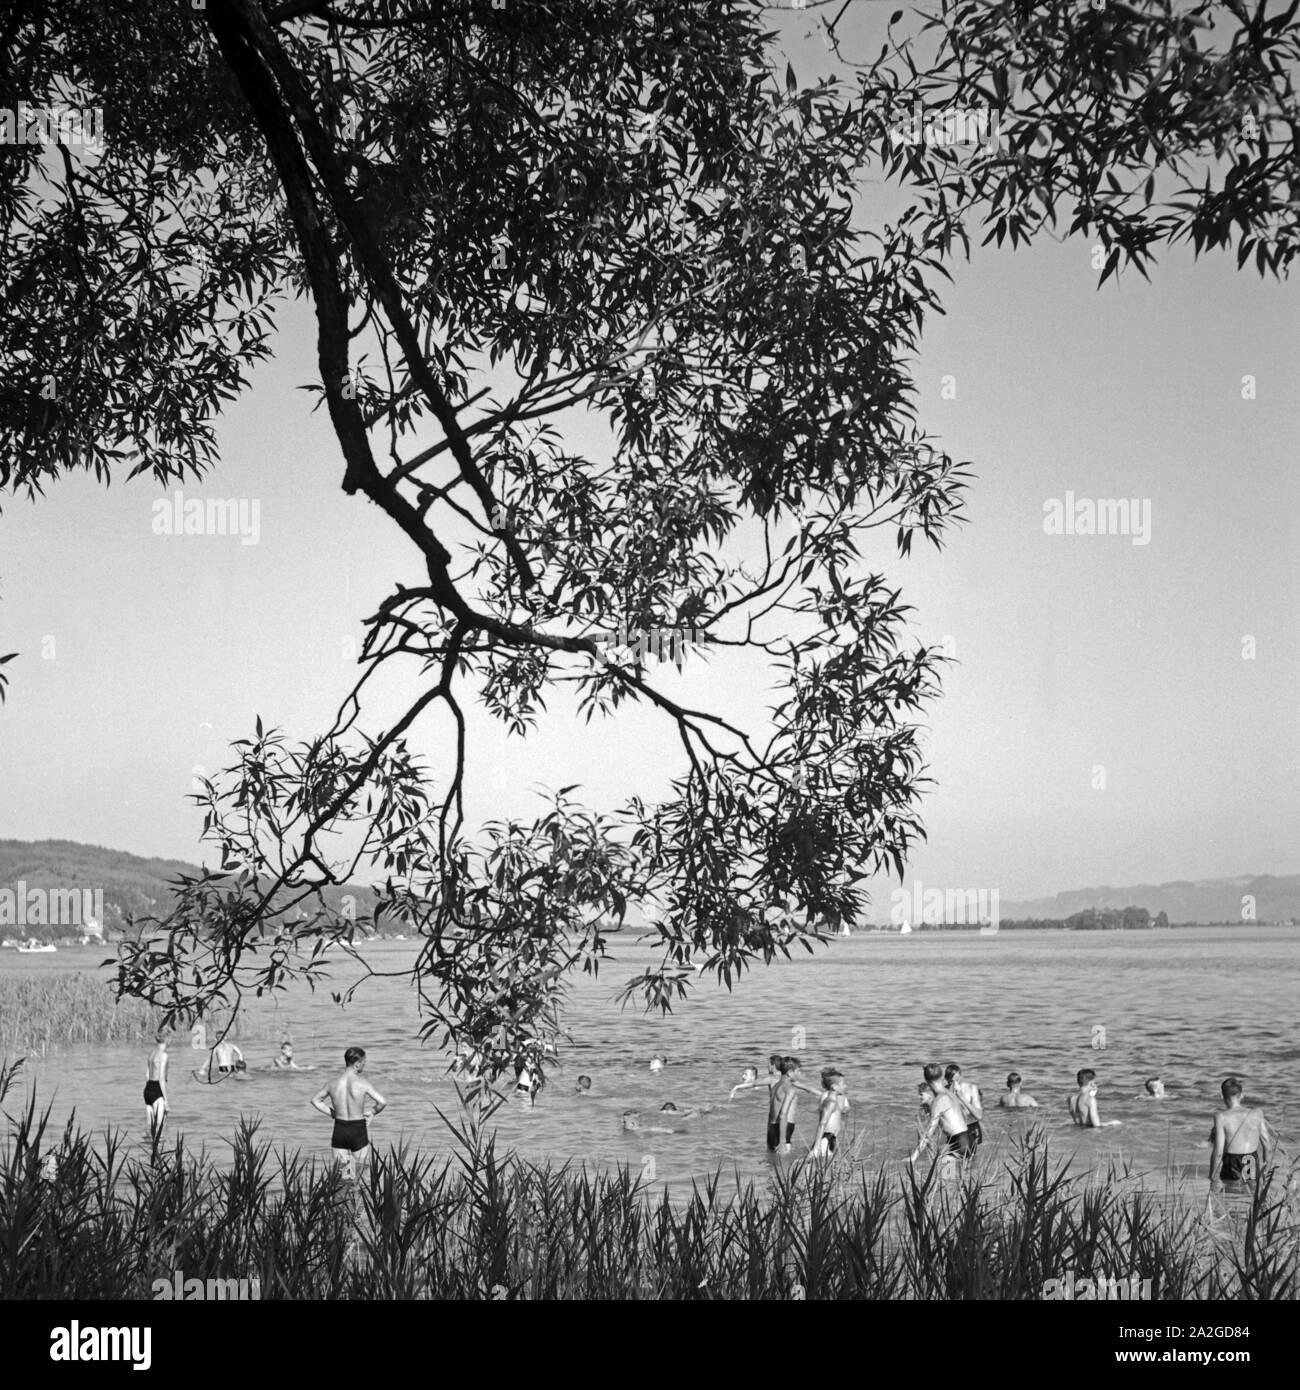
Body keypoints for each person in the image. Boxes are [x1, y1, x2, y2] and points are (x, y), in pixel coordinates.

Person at [311, 1046, 387, 1178]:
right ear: (357, 1064)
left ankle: (344, 1197)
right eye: (364, 1062)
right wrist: (373, 1112)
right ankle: (358, 1198)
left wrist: (333, 1114)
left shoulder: (333, 1083)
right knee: (361, 1175)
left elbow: (315, 1100)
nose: (364, 1065)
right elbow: (382, 1102)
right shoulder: (363, 1083)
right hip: (358, 1130)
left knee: (345, 1177)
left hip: (340, 1129)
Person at [1209, 1077, 1272, 1190]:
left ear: (1221, 1096)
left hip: (1231, 1162)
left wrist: (1212, 1178)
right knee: (1251, 1197)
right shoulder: (1257, 1113)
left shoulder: (1221, 1117)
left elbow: (1218, 1152)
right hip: (1251, 1159)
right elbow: (1267, 1146)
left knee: (1231, 1197)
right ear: (1242, 1095)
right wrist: (1266, 1172)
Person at [909, 1063, 971, 1164]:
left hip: (959, 1143)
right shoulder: (950, 1093)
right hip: (966, 1138)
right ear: (941, 1076)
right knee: (959, 1177)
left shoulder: (939, 1100)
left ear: (927, 1080)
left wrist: (914, 1156)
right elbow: (964, 1114)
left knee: (946, 1177)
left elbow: (929, 1132)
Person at [810, 1068, 849, 1160]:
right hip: (825, 1139)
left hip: (830, 1138)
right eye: (843, 1084)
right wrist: (816, 1146)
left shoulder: (834, 1100)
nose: (845, 1086)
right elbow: (822, 1124)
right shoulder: (831, 1102)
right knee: (821, 1164)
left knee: (826, 1165)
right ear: (834, 1087)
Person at [945, 1063, 983, 1150]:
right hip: (954, 1130)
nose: (955, 1084)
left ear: (961, 1077)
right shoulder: (944, 1092)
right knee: (954, 1157)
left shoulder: (971, 1089)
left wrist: (961, 1098)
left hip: (971, 1127)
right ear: (946, 1079)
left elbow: (979, 1116)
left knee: (970, 1157)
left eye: (957, 1080)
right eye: (951, 1081)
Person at [144, 1033, 169, 1137]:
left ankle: (149, 1149)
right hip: (157, 1089)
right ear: (168, 1041)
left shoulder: (151, 1054)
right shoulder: (164, 1055)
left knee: (149, 1126)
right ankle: (158, 1150)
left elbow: (146, 1075)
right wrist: (166, 1100)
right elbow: (161, 1078)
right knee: (159, 1126)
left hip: (147, 1090)